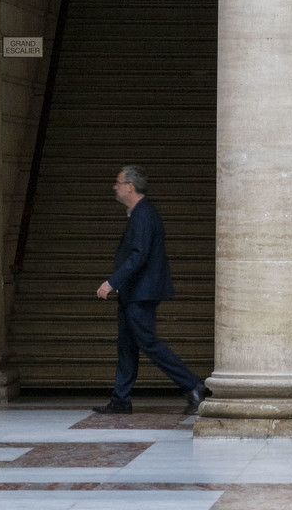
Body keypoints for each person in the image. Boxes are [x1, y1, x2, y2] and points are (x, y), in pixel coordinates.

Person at [93, 165, 205, 415]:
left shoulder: (144, 214)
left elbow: (139, 254)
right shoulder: (138, 213)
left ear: (130, 187)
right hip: (134, 292)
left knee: (148, 343)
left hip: (141, 292)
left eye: (118, 183)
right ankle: (121, 399)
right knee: (127, 346)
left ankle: (193, 384)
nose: (115, 186)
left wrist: (112, 282)